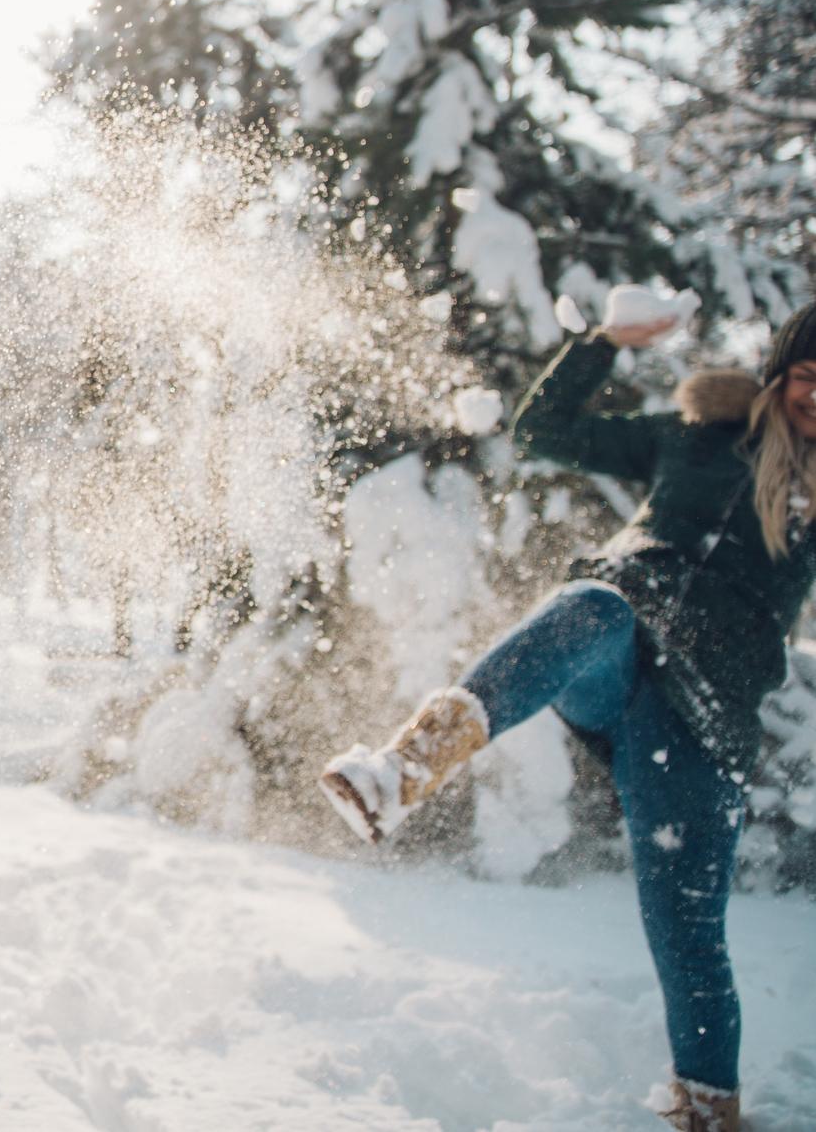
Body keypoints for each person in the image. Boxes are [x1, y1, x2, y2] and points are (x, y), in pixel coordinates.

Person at [319, 304, 816, 1132]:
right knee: (590, 602)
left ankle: (707, 1112)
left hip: (700, 727)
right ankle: (402, 769)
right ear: (777, 374)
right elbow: (544, 428)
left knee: (689, 939)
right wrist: (600, 347)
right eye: (809, 376)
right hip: (621, 656)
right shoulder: (695, 434)